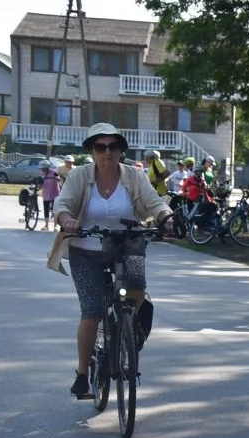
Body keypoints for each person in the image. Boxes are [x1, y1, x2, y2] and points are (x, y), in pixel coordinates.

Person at [47, 123, 172, 399]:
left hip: (127, 243)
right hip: (86, 248)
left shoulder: (134, 176)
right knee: (91, 311)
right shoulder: (79, 176)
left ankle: (126, 330)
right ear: (92, 151)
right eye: (100, 147)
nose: (107, 152)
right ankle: (82, 373)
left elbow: (154, 202)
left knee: (137, 288)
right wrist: (66, 219)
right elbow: (62, 204)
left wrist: (167, 217)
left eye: (113, 146)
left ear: (120, 150)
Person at [37, 159, 61, 232]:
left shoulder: (53, 172)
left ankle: (56, 225)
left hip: (55, 193)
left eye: (44, 169)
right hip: (46, 194)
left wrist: (57, 178)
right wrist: (38, 187)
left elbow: (58, 179)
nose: (43, 170)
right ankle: (46, 225)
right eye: (42, 169)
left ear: (48, 168)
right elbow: (40, 185)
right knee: (46, 209)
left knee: (55, 210)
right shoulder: (42, 174)